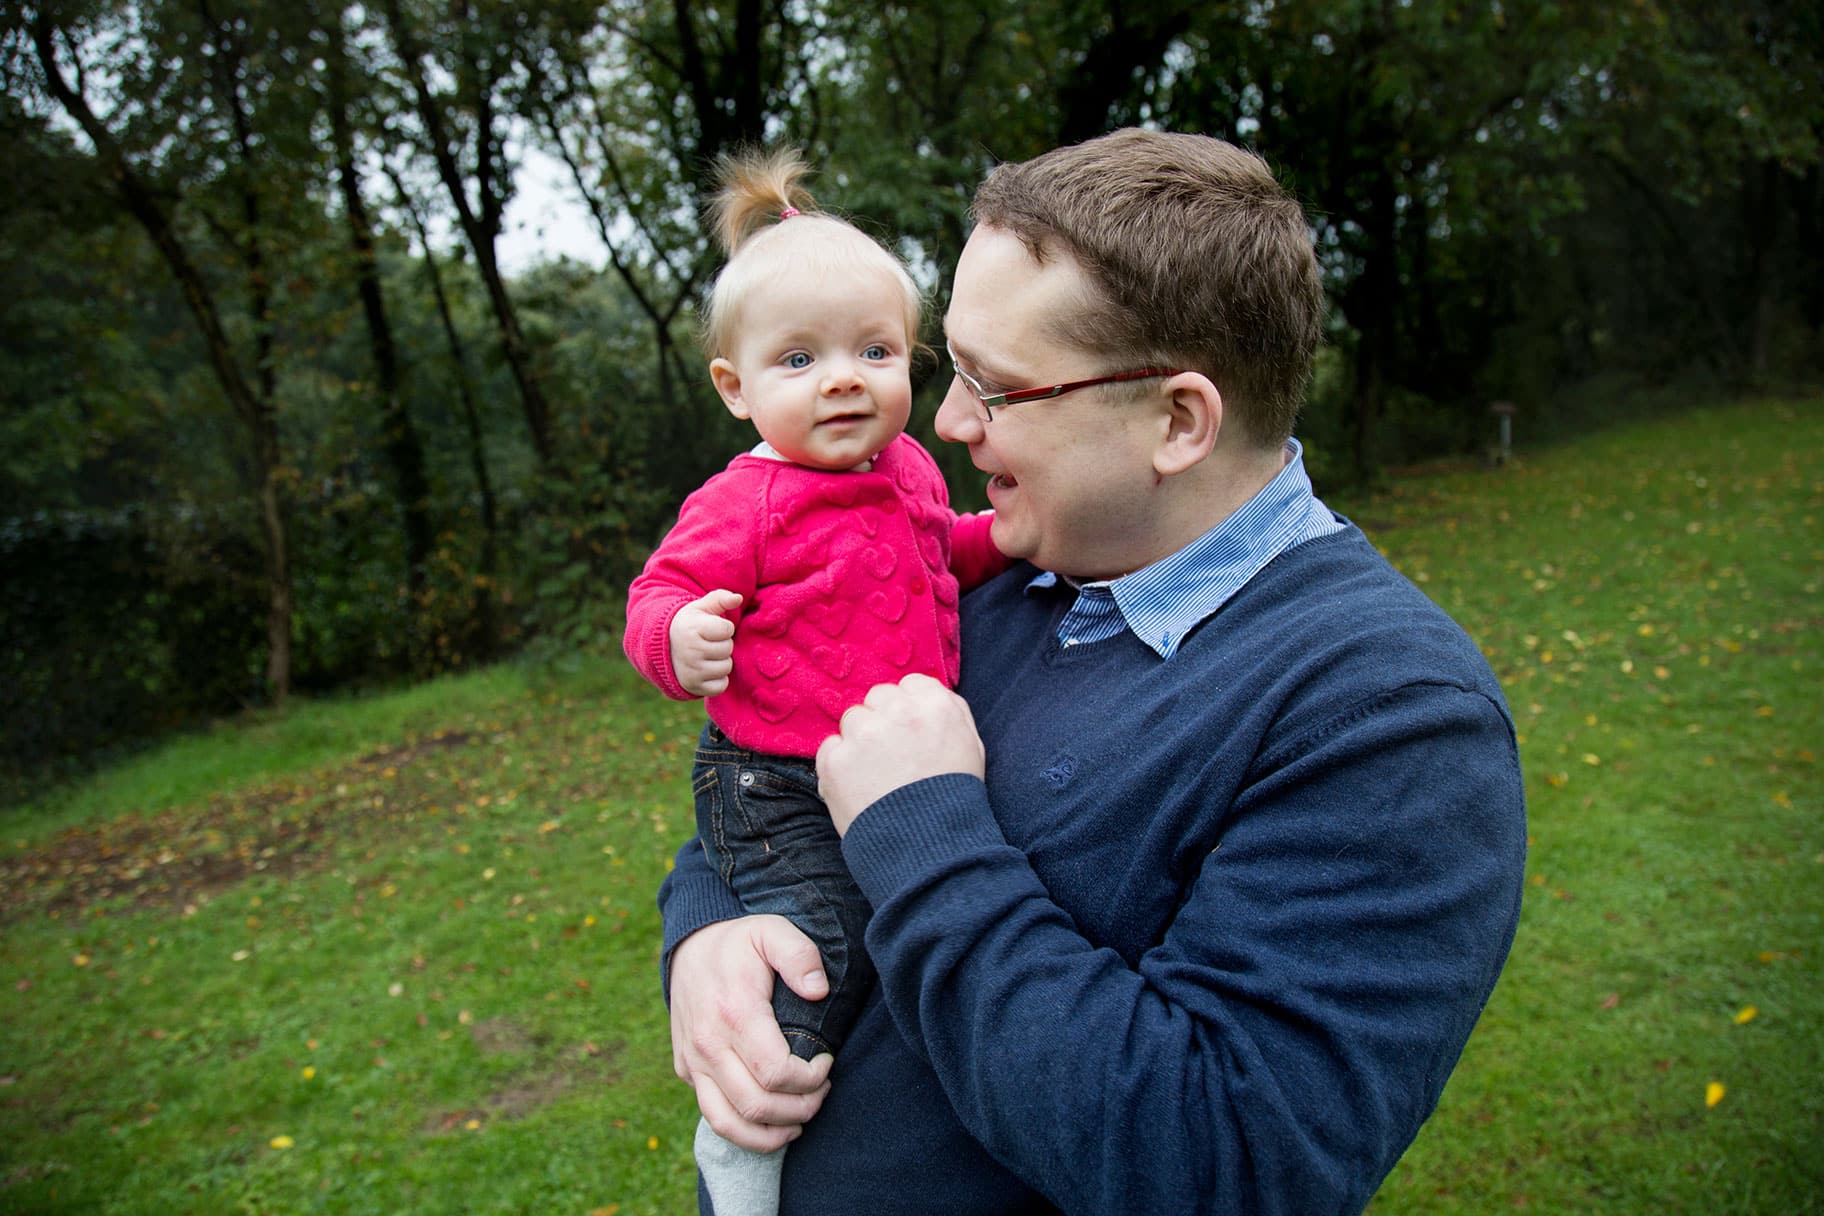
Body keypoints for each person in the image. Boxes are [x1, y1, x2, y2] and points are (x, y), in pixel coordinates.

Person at [657, 128, 1527, 1215]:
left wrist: (923, 829)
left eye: (998, 388)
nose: (948, 421)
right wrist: (707, 925)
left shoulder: (1389, 720)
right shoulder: (988, 566)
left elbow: (1226, 1166)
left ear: (1178, 420)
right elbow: (777, 768)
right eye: (953, 368)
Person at [623, 147, 1005, 1216]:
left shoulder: (909, 468)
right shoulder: (743, 503)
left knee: (887, 917)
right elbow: (658, 592)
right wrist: (677, 637)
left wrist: (1007, 538)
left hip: (877, 763)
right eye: (799, 359)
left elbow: (940, 554)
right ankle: (749, 1124)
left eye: (873, 350)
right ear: (735, 389)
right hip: (775, 780)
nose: (844, 377)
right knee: (822, 935)